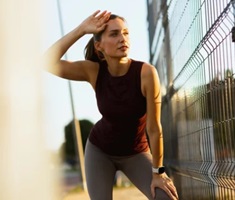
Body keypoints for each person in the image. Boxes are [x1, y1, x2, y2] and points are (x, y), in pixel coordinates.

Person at [44, 10, 178, 200]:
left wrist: (158, 172)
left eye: (125, 33)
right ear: (99, 46)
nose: (122, 39)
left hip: (136, 153)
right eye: (114, 34)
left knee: (165, 197)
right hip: (100, 152)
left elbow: (154, 128)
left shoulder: (146, 73)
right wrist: (81, 30)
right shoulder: (94, 71)